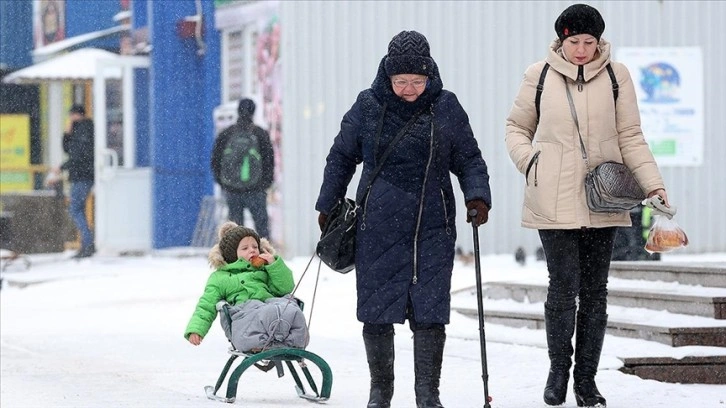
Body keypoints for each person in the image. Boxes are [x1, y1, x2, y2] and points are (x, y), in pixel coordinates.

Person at [505, 4, 671, 407]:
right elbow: (516, 127)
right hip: (553, 198)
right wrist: (532, 162)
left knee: (596, 292)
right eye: (574, 41)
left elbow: (631, 135)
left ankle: (586, 380)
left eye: (589, 41)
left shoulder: (617, 76)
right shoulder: (538, 75)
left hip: (605, 197)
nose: (581, 50)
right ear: (561, 39)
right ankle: (557, 371)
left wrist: (653, 185)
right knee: (563, 290)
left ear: (600, 41)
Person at [316, 30, 492, 408]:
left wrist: (477, 196)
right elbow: (341, 156)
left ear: (430, 76)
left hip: (433, 225)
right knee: (377, 310)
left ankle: (428, 394)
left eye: (417, 81)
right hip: (378, 225)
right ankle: (380, 392)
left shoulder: (446, 107)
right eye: (401, 81)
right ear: (387, 77)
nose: (409, 89)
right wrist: (327, 203)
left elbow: (469, 157)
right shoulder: (368, 105)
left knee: (430, 310)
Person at [184, 222, 307, 352]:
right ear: (232, 255)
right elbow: (206, 306)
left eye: (255, 246)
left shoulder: (265, 269)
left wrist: (273, 264)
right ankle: (260, 344)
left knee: (291, 309)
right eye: (245, 248)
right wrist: (196, 329)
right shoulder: (221, 278)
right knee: (268, 312)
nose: (252, 250)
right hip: (245, 316)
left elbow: (285, 288)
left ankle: (293, 342)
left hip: (269, 311)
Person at [211, 98, 274, 239]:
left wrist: (224, 183)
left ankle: (236, 258)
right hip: (256, 190)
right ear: (253, 111)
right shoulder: (260, 134)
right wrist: (263, 184)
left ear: (238, 111)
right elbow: (269, 161)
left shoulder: (226, 134)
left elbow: (215, 160)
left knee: (235, 231)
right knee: (262, 229)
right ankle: (265, 258)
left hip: (232, 190)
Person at [50, 104, 95, 259]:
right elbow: (67, 149)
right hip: (81, 175)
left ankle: (88, 243)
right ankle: (88, 242)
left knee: (75, 209)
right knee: (77, 208)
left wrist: (62, 167)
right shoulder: (80, 130)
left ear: (77, 115)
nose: (70, 119)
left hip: (83, 175)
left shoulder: (84, 130)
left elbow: (77, 156)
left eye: (71, 116)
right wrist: (66, 133)